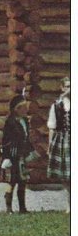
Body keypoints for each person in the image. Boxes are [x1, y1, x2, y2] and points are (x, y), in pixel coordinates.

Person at [0, 94, 36, 213]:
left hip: (22, 154)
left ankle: (22, 208)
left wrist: (31, 150)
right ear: (16, 109)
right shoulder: (10, 122)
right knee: (13, 180)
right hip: (13, 154)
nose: (26, 109)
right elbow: (5, 141)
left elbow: (26, 137)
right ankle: (9, 208)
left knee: (23, 180)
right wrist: (6, 157)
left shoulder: (25, 120)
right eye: (23, 107)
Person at [47, 76, 70, 213]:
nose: (70, 89)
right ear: (62, 88)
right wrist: (50, 146)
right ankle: (69, 204)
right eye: (67, 86)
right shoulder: (56, 105)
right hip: (63, 141)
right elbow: (52, 127)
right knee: (65, 176)